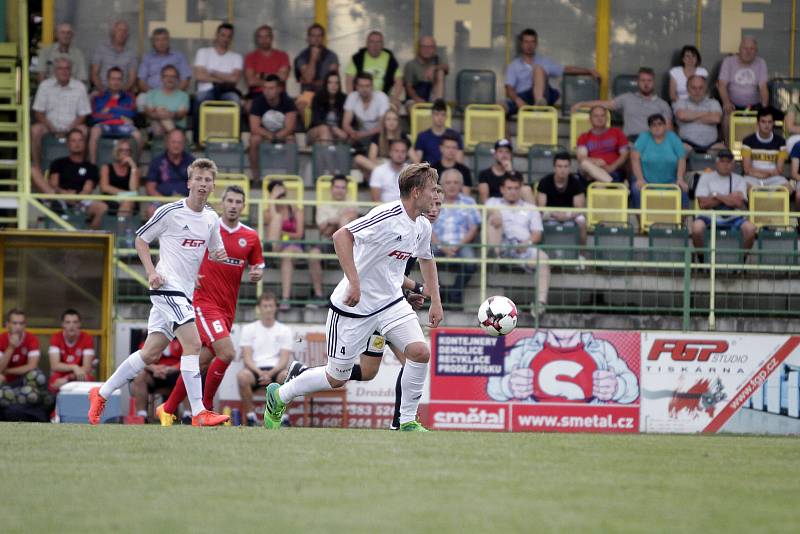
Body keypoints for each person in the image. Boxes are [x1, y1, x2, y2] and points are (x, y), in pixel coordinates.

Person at [263, 163, 443, 432]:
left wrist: (435, 300)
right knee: (336, 377)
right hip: (354, 308)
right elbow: (341, 236)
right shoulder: (387, 215)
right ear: (416, 192)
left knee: (420, 352)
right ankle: (279, 396)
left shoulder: (422, 226)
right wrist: (355, 283)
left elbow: (426, 260)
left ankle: (406, 421)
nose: (436, 195)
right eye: (432, 189)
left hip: (391, 304)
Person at [87, 158, 231, 426]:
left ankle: (101, 392)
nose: (202, 184)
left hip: (183, 292)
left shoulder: (211, 218)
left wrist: (219, 256)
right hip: (166, 287)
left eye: (207, 180)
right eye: (198, 179)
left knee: (150, 353)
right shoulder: (170, 211)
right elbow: (141, 238)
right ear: (189, 183)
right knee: (194, 344)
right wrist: (151, 272)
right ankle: (200, 412)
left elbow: (213, 251)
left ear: (213, 185)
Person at [157, 185, 264, 425]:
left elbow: (258, 264)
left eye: (239, 202)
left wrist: (257, 273)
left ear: (243, 206)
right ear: (223, 203)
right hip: (204, 302)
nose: (234, 206)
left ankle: (169, 407)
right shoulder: (207, 226)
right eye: (230, 201)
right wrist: (187, 275)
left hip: (227, 309)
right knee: (227, 352)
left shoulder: (251, 237)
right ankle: (203, 410)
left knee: (203, 360)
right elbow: (181, 251)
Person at [487, 174, 550, 318]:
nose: (513, 191)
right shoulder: (493, 202)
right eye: (509, 188)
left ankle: (540, 304)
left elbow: (537, 233)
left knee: (543, 258)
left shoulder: (530, 208)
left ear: (520, 189)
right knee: (493, 217)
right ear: (502, 189)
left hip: (522, 248)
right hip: (501, 246)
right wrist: (495, 213)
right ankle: (494, 256)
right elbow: (486, 212)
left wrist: (527, 243)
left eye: (516, 188)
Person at [505, 28, 599, 114]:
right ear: (521, 44)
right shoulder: (513, 65)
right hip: (523, 99)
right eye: (526, 42)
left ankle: (539, 106)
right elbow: (509, 89)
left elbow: (566, 69)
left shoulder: (544, 61)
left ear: (536, 44)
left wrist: (588, 71)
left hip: (543, 98)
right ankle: (506, 133)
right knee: (500, 108)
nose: (529, 45)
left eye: (532, 42)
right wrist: (517, 100)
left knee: (538, 68)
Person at [236, 293, 293, 425]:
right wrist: (260, 373)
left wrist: (270, 373)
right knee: (242, 376)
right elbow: (247, 358)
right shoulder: (249, 329)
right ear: (259, 308)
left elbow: (284, 360)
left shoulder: (284, 330)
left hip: (276, 370)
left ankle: (283, 418)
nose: (268, 309)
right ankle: (251, 418)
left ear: (275, 308)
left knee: (288, 377)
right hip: (255, 370)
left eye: (271, 306)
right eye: (265, 306)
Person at [572, 67, 672, 141]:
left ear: (653, 82)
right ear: (637, 82)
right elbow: (606, 104)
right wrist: (582, 103)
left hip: (652, 141)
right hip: (630, 141)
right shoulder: (627, 98)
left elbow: (668, 130)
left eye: (649, 80)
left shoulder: (662, 105)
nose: (646, 84)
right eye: (643, 80)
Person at [691, 149, 756, 254]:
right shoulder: (705, 177)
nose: (725, 164)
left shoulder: (740, 179)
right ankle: (702, 258)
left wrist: (717, 195)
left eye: (728, 162)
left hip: (733, 216)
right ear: (716, 163)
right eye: (722, 161)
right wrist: (729, 198)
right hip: (709, 215)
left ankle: (740, 261)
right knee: (696, 228)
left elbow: (738, 203)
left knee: (751, 229)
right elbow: (703, 204)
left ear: (733, 164)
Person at [30, 57, 90, 171]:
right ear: (54, 71)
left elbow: (83, 115)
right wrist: (52, 128)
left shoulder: (80, 87)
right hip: (49, 126)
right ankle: (38, 167)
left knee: (84, 130)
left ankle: (80, 167)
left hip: (72, 126)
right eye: (60, 68)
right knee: (35, 130)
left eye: (67, 68)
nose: (64, 71)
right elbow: (38, 113)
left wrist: (70, 129)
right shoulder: (45, 85)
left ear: (71, 70)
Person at [309, 174, 359, 306]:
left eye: (343, 187)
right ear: (331, 188)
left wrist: (332, 222)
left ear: (346, 190)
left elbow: (353, 229)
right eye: (337, 187)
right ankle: (318, 295)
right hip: (328, 242)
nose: (339, 190)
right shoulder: (323, 205)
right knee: (313, 255)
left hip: (350, 244)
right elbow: (322, 230)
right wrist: (342, 219)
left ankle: (352, 293)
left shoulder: (353, 205)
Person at [432, 169, 479, 304]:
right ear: (441, 185)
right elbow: (427, 226)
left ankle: (455, 295)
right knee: (424, 256)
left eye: (455, 182)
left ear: (461, 185)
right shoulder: (433, 200)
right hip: (437, 243)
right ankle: (437, 292)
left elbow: (474, 228)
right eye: (448, 182)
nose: (452, 186)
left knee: (471, 263)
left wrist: (458, 245)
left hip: (462, 244)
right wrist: (441, 246)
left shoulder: (469, 202)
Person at [47, 128, 108, 229]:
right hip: (59, 198)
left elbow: (87, 189)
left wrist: (75, 198)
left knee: (102, 207)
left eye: (80, 140)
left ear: (85, 144)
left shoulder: (91, 167)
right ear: (68, 144)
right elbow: (54, 185)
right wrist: (65, 195)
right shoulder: (58, 163)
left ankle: (90, 235)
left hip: (81, 201)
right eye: (73, 140)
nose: (77, 144)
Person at [193, 22, 243, 141]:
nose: (225, 39)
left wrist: (213, 72)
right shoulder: (203, 52)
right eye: (223, 35)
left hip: (226, 91)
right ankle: (197, 140)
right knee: (199, 99)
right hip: (206, 90)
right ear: (216, 35)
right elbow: (199, 76)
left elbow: (235, 79)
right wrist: (224, 78)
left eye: (229, 36)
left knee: (236, 101)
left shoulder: (236, 57)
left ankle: (235, 140)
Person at [630, 113, 688, 209]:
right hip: (647, 180)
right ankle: (641, 224)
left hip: (670, 181)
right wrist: (640, 179)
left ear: (665, 126)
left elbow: (681, 158)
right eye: (653, 125)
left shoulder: (672, 137)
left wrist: (680, 179)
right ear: (649, 127)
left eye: (660, 124)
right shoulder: (644, 137)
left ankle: (681, 223)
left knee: (682, 189)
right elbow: (634, 158)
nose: (657, 127)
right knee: (636, 190)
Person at [718, 36, 770, 142]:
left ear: (756, 51)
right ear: (739, 49)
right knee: (727, 116)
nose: (748, 52)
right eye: (745, 48)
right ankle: (728, 148)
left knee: (765, 119)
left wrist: (765, 107)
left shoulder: (761, 63)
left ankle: (757, 145)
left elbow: (763, 87)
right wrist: (726, 102)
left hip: (754, 105)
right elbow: (721, 85)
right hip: (732, 104)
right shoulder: (729, 61)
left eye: (752, 49)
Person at [264, 181, 305, 311]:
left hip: (293, 245)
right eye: (276, 193)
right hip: (277, 244)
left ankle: (285, 299)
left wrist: (282, 233)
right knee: (276, 218)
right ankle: (271, 250)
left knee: (287, 255)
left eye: (282, 192)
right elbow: (267, 221)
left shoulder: (296, 210)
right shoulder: (269, 211)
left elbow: (299, 234)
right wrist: (272, 203)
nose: (280, 195)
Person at [247, 74, 297, 180]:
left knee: (291, 140)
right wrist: (270, 136)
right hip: (264, 135)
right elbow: (254, 127)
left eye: (271, 88)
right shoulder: (257, 102)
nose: (267, 91)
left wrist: (275, 137)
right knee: (254, 139)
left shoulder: (288, 102)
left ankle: (290, 178)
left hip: (282, 134)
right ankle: (256, 179)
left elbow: (289, 128)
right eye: (265, 88)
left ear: (279, 89)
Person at [88, 66, 140, 164]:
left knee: (137, 135)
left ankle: (134, 167)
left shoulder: (129, 96)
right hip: (105, 124)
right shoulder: (98, 97)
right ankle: (93, 166)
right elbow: (95, 117)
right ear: (108, 80)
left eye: (119, 79)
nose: (116, 82)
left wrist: (109, 110)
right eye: (113, 79)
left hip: (122, 125)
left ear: (122, 81)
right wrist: (119, 113)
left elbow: (132, 114)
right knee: (94, 131)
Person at [0, 309, 48, 412]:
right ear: (7, 324)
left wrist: (6, 370)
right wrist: (11, 347)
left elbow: (32, 366)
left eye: (21, 323)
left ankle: (17, 399)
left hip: (24, 381)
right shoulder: (1, 339)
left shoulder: (32, 339)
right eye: (15, 323)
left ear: (25, 325)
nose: (18, 327)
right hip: (5, 381)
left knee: (37, 375)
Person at [537, 152, 587, 245]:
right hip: (549, 212)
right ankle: (539, 251)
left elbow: (579, 208)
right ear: (554, 167)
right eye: (559, 166)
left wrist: (567, 215)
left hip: (570, 213)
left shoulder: (576, 182)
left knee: (582, 221)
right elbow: (541, 206)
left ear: (569, 168)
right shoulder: (544, 181)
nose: (562, 170)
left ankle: (581, 254)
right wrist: (555, 214)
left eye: (565, 166)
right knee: (536, 218)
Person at [144, 129, 195, 219]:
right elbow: (150, 187)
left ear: (184, 144)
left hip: (186, 201)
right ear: (167, 143)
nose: (176, 145)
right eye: (173, 142)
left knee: (205, 210)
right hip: (162, 201)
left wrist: (184, 201)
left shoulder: (192, 162)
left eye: (179, 143)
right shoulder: (157, 161)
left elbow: (197, 187)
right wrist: (166, 201)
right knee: (151, 210)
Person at [345, 31, 403, 108]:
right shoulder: (358, 58)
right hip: (362, 96)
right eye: (372, 42)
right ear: (367, 44)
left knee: (396, 104)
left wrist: (395, 98)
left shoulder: (390, 58)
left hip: (384, 96)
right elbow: (349, 80)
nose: (375, 45)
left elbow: (399, 81)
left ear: (383, 45)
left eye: (378, 42)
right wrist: (351, 97)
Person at [130, 338, 182, 421]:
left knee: (188, 374)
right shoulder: (150, 338)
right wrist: (154, 368)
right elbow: (141, 359)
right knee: (140, 376)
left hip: (175, 373)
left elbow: (188, 357)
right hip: (154, 375)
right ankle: (142, 415)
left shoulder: (182, 337)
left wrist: (173, 368)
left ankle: (188, 415)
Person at [576, 106, 629, 185]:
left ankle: (609, 182)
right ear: (590, 119)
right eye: (596, 116)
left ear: (607, 118)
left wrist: (611, 167)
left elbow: (625, 154)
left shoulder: (617, 132)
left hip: (614, 171)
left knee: (599, 185)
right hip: (594, 169)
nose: (599, 118)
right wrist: (596, 161)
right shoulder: (584, 137)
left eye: (602, 115)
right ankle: (613, 185)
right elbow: (581, 158)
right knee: (584, 164)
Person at [294, 23, 340, 114]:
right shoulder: (302, 56)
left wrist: (313, 82)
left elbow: (333, 80)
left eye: (319, 36)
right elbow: (308, 78)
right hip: (308, 93)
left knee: (336, 104)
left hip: (327, 93)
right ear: (308, 38)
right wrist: (313, 59)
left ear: (323, 38)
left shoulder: (332, 56)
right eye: (313, 35)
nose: (316, 39)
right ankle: (309, 128)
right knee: (301, 105)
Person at [673, 75, 724, 153]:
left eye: (701, 88)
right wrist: (707, 113)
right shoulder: (680, 102)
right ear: (687, 89)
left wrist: (690, 117)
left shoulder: (713, 102)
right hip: (687, 144)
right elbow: (682, 116)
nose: (697, 91)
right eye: (693, 88)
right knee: (680, 150)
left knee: (723, 151)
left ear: (705, 89)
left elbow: (716, 118)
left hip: (712, 144)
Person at [48, 309, 95, 393]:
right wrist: (74, 367)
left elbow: (87, 367)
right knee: (54, 383)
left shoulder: (87, 338)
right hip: (61, 373)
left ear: (79, 324)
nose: (71, 325)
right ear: (63, 324)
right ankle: (55, 405)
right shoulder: (56, 337)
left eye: (75, 322)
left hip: (79, 374)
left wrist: (68, 378)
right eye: (68, 322)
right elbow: (54, 365)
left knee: (88, 378)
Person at [342, 72, 390, 154]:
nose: (364, 89)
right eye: (361, 86)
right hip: (359, 134)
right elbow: (345, 124)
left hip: (378, 134)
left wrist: (363, 134)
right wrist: (352, 133)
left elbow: (383, 126)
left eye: (367, 86)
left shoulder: (381, 97)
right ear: (356, 87)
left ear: (372, 87)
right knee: (344, 139)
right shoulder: (352, 96)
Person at [741, 107, 788, 189]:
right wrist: (764, 174)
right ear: (758, 123)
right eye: (763, 122)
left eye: (769, 122)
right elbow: (747, 169)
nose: (767, 125)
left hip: (773, 178)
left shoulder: (781, 142)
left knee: (788, 188)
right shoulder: (747, 141)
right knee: (744, 187)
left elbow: (779, 170)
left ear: (773, 123)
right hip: (753, 177)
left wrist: (763, 173)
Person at [478, 138, 533, 204]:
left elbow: (520, 192)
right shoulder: (484, 174)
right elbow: (484, 200)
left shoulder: (516, 174)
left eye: (507, 152)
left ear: (511, 155)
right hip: (495, 206)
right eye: (500, 151)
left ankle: (534, 213)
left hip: (513, 205)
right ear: (495, 155)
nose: (504, 155)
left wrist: (510, 172)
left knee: (526, 189)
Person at [137, 28, 191, 94]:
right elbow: (141, 81)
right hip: (151, 94)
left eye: (164, 39)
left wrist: (174, 95)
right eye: (157, 40)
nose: (161, 43)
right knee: (141, 100)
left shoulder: (179, 57)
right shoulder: (147, 58)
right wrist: (153, 95)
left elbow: (185, 79)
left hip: (174, 94)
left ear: (168, 41)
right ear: (153, 43)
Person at [354, 108, 406, 176]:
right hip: (381, 166)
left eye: (394, 119)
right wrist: (385, 165)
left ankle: (390, 175)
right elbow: (372, 158)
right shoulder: (377, 136)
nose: (391, 122)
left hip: (399, 166)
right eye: (388, 119)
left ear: (398, 122)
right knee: (358, 158)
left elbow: (415, 159)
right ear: (384, 122)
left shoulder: (403, 136)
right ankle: (387, 175)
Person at [244, 25, 291, 99]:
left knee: (292, 108)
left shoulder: (282, 55)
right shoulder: (250, 57)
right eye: (260, 37)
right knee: (248, 106)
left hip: (279, 94)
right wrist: (274, 78)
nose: (264, 40)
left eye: (267, 36)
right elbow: (251, 81)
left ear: (272, 38)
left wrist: (261, 75)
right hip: (257, 94)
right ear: (257, 39)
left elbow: (283, 77)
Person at [90, 20, 137, 93]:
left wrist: (120, 93)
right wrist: (103, 92)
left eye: (125, 31)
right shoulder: (101, 49)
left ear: (127, 35)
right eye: (119, 30)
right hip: (101, 91)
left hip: (123, 92)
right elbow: (94, 74)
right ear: (113, 32)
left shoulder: (131, 53)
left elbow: (132, 79)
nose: (122, 33)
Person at [143, 65, 190, 137]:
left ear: (177, 79)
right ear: (161, 78)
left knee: (163, 120)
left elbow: (181, 114)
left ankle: (171, 139)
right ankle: (174, 139)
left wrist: (169, 114)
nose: (170, 79)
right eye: (166, 76)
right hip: (156, 127)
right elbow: (149, 113)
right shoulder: (151, 93)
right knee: (158, 123)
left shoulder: (183, 96)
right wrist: (160, 114)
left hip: (177, 127)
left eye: (173, 76)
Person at [412, 98, 463, 164]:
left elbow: (459, 162)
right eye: (437, 114)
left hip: (450, 172)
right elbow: (417, 162)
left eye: (443, 114)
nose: (440, 118)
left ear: (446, 117)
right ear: (432, 116)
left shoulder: (455, 136)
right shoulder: (422, 136)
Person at [99, 138, 139, 216]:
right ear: (116, 152)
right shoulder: (106, 167)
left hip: (129, 201)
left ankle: (121, 228)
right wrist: (125, 194)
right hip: (110, 199)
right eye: (122, 150)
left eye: (127, 150)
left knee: (127, 203)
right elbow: (104, 187)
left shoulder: (134, 169)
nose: (125, 153)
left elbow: (134, 190)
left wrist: (133, 167)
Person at [404, 36, 449, 104]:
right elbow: (408, 87)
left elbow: (446, 68)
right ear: (419, 48)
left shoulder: (437, 60)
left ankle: (438, 103)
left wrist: (434, 68)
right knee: (413, 108)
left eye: (430, 47)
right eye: (424, 46)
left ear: (434, 49)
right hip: (414, 99)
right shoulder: (411, 64)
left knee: (440, 71)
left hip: (432, 96)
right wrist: (417, 99)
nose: (427, 49)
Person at [308, 71, 347, 144]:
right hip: (315, 131)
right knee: (324, 129)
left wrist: (341, 131)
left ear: (339, 85)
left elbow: (347, 122)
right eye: (330, 82)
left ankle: (326, 154)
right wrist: (332, 128)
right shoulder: (318, 97)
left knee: (319, 143)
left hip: (336, 134)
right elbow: (316, 120)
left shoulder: (344, 99)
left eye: (336, 83)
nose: (333, 85)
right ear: (325, 84)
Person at [370, 138, 410, 202]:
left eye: (403, 151)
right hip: (384, 209)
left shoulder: (412, 172)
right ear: (390, 152)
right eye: (396, 151)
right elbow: (375, 199)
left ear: (407, 154)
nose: (400, 154)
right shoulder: (378, 171)